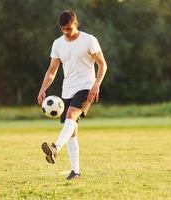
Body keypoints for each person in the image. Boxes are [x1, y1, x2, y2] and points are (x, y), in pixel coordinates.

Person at [37, 10, 107, 180]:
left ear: (76, 24)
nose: (66, 32)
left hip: (86, 86)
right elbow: (52, 71)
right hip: (67, 89)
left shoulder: (89, 40)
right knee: (72, 131)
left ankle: (55, 148)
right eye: (63, 29)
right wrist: (42, 88)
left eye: (69, 28)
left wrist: (96, 85)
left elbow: (102, 65)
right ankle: (75, 172)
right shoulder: (57, 44)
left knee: (70, 115)